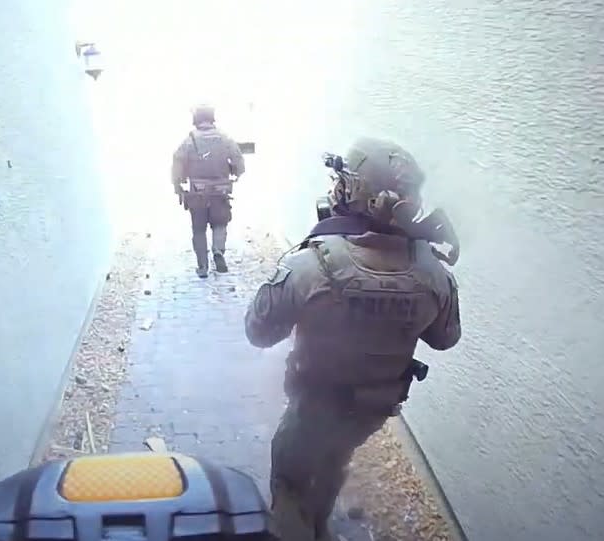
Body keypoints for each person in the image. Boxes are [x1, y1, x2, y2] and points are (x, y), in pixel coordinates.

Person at [244, 137, 462, 541]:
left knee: (289, 484)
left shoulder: (311, 264)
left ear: (353, 192)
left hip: (313, 405)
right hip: (375, 408)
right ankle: (321, 523)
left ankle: (301, 526)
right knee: (336, 459)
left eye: (342, 183)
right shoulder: (434, 274)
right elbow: (445, 339)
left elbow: (258, 332)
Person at [172, 104, 246, 278]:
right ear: (212, 118)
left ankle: (202, 266)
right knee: (220, 224)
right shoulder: (225, 138)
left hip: (197, 192)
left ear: (196, 119)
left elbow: (177, 162)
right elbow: (238, 160)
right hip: (220, 191)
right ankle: (218, 250)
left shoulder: (189, 140)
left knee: (198, 230)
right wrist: (235, 173)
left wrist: (177, 184)